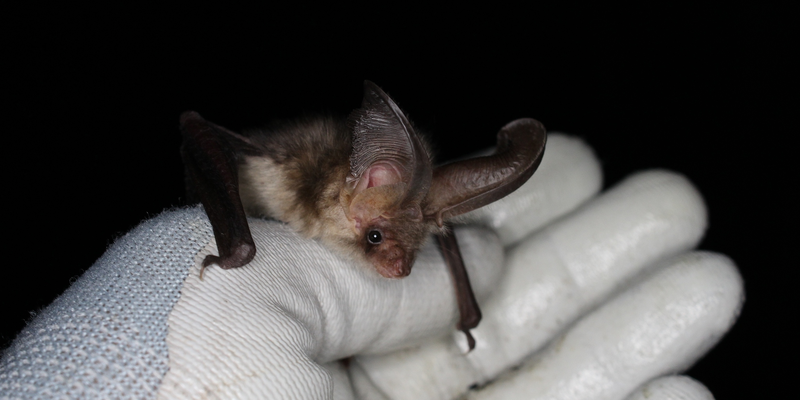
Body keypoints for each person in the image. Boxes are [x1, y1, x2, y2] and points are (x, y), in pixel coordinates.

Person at [0, 134, 741, 399]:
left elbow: (409, 228)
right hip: (272, 215)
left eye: (406, 252)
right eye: (386, 245)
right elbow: (206, 139)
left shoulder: (394, 221)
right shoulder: (323, 195)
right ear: (361, 203)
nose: (396, 266)